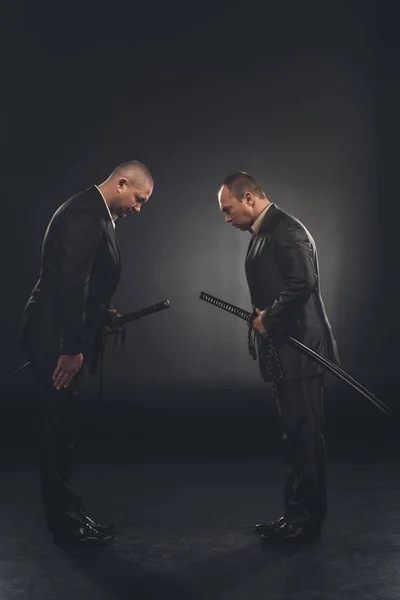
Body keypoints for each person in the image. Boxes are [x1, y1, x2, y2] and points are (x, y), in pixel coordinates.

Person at [19, 161, 153, 545]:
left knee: (63, 430)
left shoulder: (96, 213)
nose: (138, 208)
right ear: (122, 183)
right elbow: (71, 285)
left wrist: (100, 315)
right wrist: (71, 349)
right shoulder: (84, 215)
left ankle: (71, 517)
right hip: (54, 339)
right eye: (139, 199)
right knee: (57, 430)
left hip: (61, 333)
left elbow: (87, 283)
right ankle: (66, 525)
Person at [218, 172, 339, 541]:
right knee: (293, 437)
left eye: (228, 209)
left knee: (304, 437)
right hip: (284, 350)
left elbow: (304, 282)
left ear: (249, 197)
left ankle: (306, 521)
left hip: (301, 350)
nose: (226, 218)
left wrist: (269, 319)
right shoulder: (264, 230)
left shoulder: (285, 229)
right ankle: (294, 515)